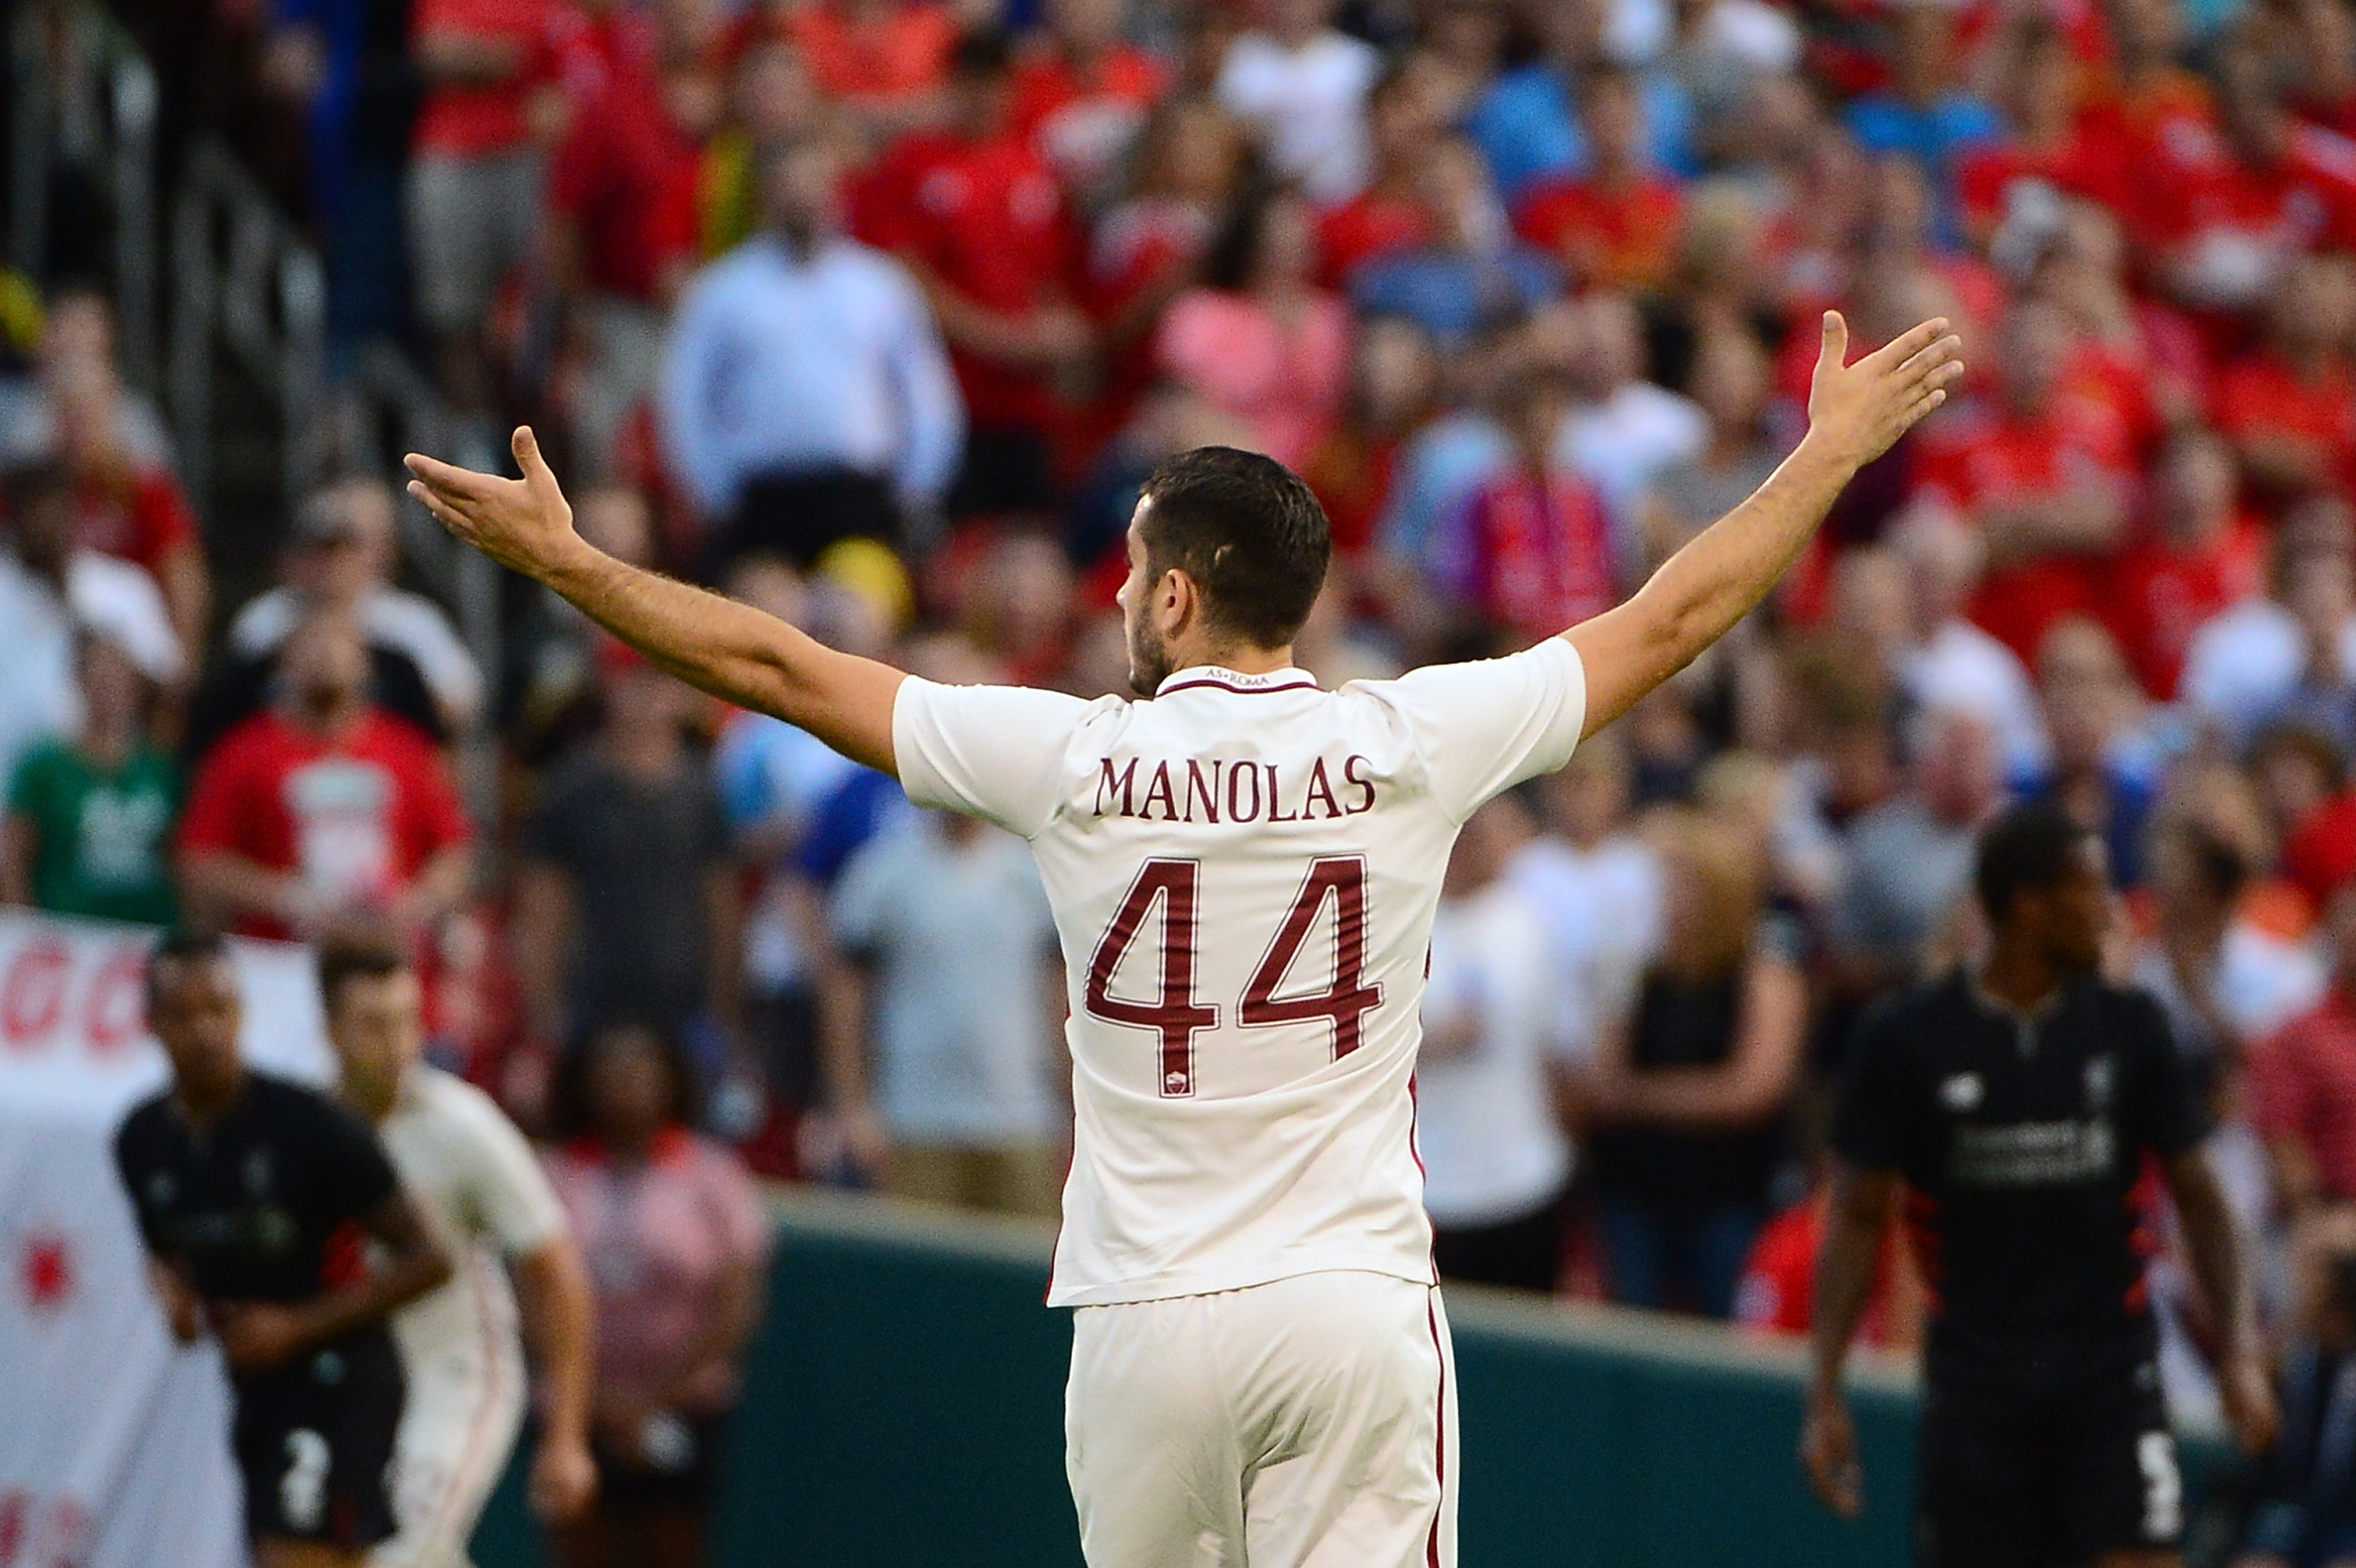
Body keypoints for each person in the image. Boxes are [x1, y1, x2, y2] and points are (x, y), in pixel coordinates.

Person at [405, 306, 1964, 1568]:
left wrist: (573, 565)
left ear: (1172, 599)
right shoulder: (1411, 738)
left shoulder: (1077, 760)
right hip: (1346, 1301)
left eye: (1133, 565)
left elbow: (777, 663)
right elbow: (1676, 618)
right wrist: (1823, 454)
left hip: (1146, 1314)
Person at [1802, 803, 2280, 1568]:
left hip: (2111, 1376)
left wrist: (2242, 1351)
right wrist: (1825, 1386)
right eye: (2091, 891)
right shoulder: (1908, 1039)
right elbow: (1859, 1217)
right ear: (2029, 906)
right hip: (1978, 1389)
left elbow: (2200, 1194)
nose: (2113, 912)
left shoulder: (2130, 1026)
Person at [113, 934, 453, 1568]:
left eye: (220, 1009)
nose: (207, 1031)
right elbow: (167, 1248)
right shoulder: (142, 1140)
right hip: (257, 1384)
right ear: (153, 1024)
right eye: (185, 1014)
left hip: (338, 1372)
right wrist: (175, 1294)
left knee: (294, 1554)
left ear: (243, 1014)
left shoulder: (310, 1126)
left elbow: (430, 1257)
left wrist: (296, 1325)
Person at [314, 930, 599, 1567]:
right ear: (330, 1030)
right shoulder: (304, 1127)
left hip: (457, 1377)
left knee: (400, 1550)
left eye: (407, 1020)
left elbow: (557, 1273)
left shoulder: (464, 1127)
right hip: (352, 1385)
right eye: (371, 1024)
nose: (396, 1045)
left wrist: (567, 1436)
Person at [657, 133, 965, 563]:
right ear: (765, 195)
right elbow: (685, 401)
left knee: (855, 612)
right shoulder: (721, 292)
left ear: (834, 190)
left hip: (862, 497)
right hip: (762, 500)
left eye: (814, 183)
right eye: (788, 185)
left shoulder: (880, 285)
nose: (803, 197)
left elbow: (927, 395)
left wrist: (917, 491)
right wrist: (714, 494)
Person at [543, 1021, 771, 1568]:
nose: (626, 1083)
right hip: (578, 1409)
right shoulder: (555, 1174)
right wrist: (592, 1397)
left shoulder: (712, 1175)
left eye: (641, 1069)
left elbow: (737, 1302)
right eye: (612, 1071)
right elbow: (534, 1295)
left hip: (685, 1406)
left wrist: (652, 1401)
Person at [1585, 811, 1808, 1318]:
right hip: (1635, 1190)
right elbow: (1603, 1078)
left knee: (1724, 1327)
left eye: (1674, 884)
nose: (1660, 897)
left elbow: (1750, 1091)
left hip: (1726, 1196)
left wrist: (1640, 1097)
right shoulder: (1642, 972)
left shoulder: (1764, 975)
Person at [820, 799, 1067, 1219]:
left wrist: (1074, 1108)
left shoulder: (1034, 871)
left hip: (1022, 1117)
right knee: (922, 1273)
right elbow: (846, 993)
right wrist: (853, 1107)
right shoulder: (885, 869)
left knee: (1028, 1268)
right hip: (916, 1118)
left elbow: (1060, 994)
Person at [177, 611, 474, 945]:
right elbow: (201, 861)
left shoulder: (407, 750)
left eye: (339, 644)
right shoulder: (244, 753)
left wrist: (416, 903)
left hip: (385, 957)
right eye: (311, 644)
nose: (326, 656)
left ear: (365, 664)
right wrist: (286, 898)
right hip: (280, 961)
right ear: (284, 665)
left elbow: (454, 851)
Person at [1418, 793, 1575, 1292]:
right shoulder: (1403, 924)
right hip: (1432, 1183)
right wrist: (1431, 1041)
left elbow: (1557, 1043)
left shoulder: (1529, 917)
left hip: (1524, 1173)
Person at [1, 627, 182, 926]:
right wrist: (23, 930)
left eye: (117, 674)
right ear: (79, 681)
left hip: (145, 931)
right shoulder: (45, 766)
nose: (108, 686)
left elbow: (178, 859)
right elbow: (15, 857)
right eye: (97, 674)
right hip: (66, 933)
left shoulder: (160, 770)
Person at [2233, 1204, 2356, 1568]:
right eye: (2316, 1263)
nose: (2327, 1281)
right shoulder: (2292, 1351)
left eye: (2337, 1266)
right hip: (2289, 1508)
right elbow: (2255, 1444)